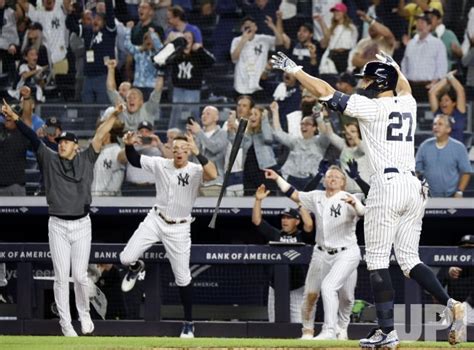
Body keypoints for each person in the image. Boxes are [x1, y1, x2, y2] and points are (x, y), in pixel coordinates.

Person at [270, 50, 466, 347]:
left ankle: (387, 332)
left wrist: (296, 71)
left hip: (387, 186)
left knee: (376, 261)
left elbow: (324, 91)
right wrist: (394, 66)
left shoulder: (371, 107)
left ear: (379, 81)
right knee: (409, 260)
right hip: (414, 187)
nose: (364, 83)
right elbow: (405, 87)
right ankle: (452, 304)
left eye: (370, 78)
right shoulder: (408, 103)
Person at [1, 99, 124, 336]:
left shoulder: (87, 158)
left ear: (76, 146)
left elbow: (100, 134)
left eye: (66, 142)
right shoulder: (49, 159)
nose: (61, 145)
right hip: (57, 224)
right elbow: (32, 137)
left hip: (81, 224)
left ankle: (84, 314)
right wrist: (16, 118)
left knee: (79, 275)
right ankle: (66, 324)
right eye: (60, 142)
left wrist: (114, 114)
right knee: (61, 277)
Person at [119, 132, 217, 338]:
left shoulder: (195, 169)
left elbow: (213, 174)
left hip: (179, 228)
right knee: (126, 258)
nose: (179, 152)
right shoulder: (160, 164)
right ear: (171, 151)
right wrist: (128, 145)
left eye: (183, 149)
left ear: (189, 151)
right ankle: (136, 268)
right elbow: (135, 160)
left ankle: (189, 322)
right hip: (155, 219)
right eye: (176, 149)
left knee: (183, 278)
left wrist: (198, 152)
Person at [264, 166, 362, 340]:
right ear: (325, 180)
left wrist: (355, 204)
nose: (332, 179)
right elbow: (293, 193)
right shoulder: (316, 196)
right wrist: (277, 178)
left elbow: (363, 212)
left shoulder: (349, 197)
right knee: (311, 293)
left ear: (343, 182)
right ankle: (309, 332)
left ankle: (340, 327)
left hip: (345, 252)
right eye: (329, 176)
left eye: (336, 177)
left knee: (346, 297)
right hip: (321, 252)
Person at [252, 185, 313, 323]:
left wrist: (300, 203)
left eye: (289, 218)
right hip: (275, 286)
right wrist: (257, 200)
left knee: (298, 323)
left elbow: (309, 225)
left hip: (297, 287)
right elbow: (257, 221)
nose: (284, 220)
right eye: (283, 218)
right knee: (274, 322)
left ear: (297, 221)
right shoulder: (275, 234)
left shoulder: (301, 236)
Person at [65, 0, 117, 104]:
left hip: (103, 76)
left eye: (99, 19)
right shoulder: (88, 31)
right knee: (87, 110)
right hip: (88, 77)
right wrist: (70, 13)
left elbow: (110, 13)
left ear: (105, 22)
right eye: (94, 19)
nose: (95, 21)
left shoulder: (109, 31)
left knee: (102, 109)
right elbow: (71, 25)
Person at [270, 101, 329, 190]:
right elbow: (278, 133)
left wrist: (318, 117)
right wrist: (275, 112)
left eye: (307, 124)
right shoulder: (295, 141)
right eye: (302, 124)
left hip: (313, 181)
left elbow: (326, 134)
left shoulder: (320, 142)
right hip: (293, 181)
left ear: (314, 128)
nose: (303, 126)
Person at [167, 31, 215, 130]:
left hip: (193, 90)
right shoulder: (177, 54)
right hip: (178, 89)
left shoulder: (198, 54)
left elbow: (211, 62)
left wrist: (200, 49)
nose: (187, 40)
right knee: (176, 114)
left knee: (193, 115)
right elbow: (165, 61)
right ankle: (172, 135)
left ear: (193, 41)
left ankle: (195, 136)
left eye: (189, 38)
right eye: (185, 38)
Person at [415, 115, 471, 198]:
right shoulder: (424, 146)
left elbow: (467, 172)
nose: (436, 127)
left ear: (448, 129)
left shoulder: (459, 147)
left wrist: (459, 191)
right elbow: (416, 171)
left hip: (451, 196)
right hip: (428, 195)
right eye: (434, 124)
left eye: (440, 124)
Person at [230, 16, 285, 98]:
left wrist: (273, 26)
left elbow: (280, 41)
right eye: (246, 26)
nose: (249, 28)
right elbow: (234, 58)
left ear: (255, 27)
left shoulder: (263, 39)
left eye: (251, 25)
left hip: (258, 84)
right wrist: (244, 40)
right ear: (242, 28)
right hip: (241, 85)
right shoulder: (236, 40)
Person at [401, 12, 447, 102]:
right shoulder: (411, 44)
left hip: (429, 87)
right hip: (411, 87)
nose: (419, 25)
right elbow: (404, 64)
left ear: (429, 26)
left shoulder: (437, 44)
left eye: (422, 22)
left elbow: (442, 67)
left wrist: (435, 83)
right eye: (418, 22)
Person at [186, 106, 227, 196]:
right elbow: (191, 157)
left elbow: (214, 148)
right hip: (196, 181)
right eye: (203, 114)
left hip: (214, 182)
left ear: (216, 117)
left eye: (208, 113)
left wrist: (199, 132)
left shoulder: (223, 133)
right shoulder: (197, 135)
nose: (204, 116)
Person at [314, 3, 358, 74]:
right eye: (334, 11)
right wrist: (321, 21)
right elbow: (326, 41)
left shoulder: (351, 28)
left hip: (345, 56)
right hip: (333, 55)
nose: (335, 13)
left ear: (343, 12)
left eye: (338, 11)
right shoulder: (332, 27)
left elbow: (354, 44)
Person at [428, 71, 467, 144]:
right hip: (440, 149)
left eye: (446, 100)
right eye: (441, 100)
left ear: (454, 103)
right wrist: (446, 78)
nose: (443, 103)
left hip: (456, 151)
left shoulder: (459, 113)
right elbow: (432, 93)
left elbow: (460, 90)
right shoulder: (438, 113)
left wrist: (450, 77)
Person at [91, 118, 126, 196]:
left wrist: (103, 197)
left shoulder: (116, 151)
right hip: (91, 200)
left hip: (110, 202)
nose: (97, 134)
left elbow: (117, 180)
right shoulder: (92, 151)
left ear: (108, 133)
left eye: (100, 131)